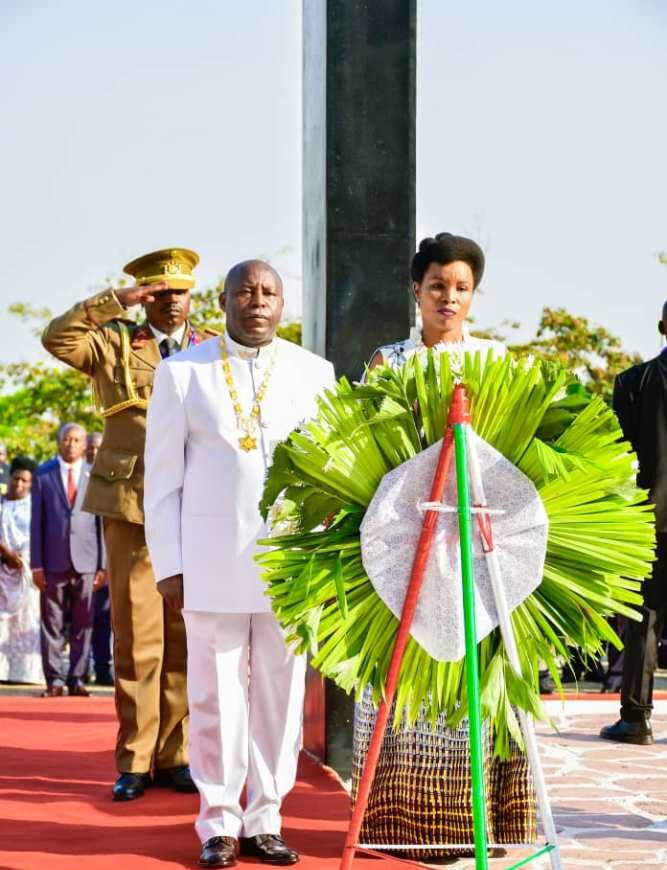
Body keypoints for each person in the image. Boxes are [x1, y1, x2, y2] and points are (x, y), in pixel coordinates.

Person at [144, 260, 336, 868]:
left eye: (269, 292)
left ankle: (267, 818)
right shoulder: (182, 374)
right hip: (209, 562)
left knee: (279, 699)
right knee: (215, 698)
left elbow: (331, 471)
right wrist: (169, 564)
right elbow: (162, 482)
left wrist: (325, 555)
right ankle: (218, 823)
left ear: (282, 303)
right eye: (246, 292)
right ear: (223, 301)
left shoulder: (316, 373)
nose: (258, 302)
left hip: (289, 564)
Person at [357, 233, 536, 859]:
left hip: (477, 544)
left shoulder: (497, 362)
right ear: (416, 290)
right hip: (407, 542)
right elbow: (363, 445)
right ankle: (401, 828)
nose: (449, 298)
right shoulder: (388, 361)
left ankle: (478, 825)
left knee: (475, 677)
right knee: (404, 681)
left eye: (461, 288)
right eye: (438, 286)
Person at [41, 248, 209, 799]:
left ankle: (176, 754)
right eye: (159, 293)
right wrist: (113, 305)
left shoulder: (213, 345)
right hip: (132, 500)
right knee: (138, 637)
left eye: (179, 292)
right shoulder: (116, 341)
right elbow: (56, 339)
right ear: (144, 296)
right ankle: (135, 758)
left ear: (193, 295)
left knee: (184, 634)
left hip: (196, 503)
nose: (172, 303)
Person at [600, 301, 667, 745]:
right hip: (646, 520)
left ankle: (636, 720)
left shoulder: (633, 383)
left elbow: (614, 456)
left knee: (643, 619)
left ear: (662, 326)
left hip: (648, 519)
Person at [30, 423, 106, 696]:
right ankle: (55, 681)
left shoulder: (94, 474)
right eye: (67, 439)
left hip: (87, 561)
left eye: (77, 440)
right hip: (52, 562)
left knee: (84, 623)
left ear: (85, 445)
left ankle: (77, 678)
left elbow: (100, 523)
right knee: (51, 623)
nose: (71, 444)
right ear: (59, 442)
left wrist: (103, 564)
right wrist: (36, 564)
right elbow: (36, 523)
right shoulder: (43, 474)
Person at [0, 456, 42, 684]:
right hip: (2, 570)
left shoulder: (35, 507)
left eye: (25, 481)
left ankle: (24, 674)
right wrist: (5, 552)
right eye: (16, 478)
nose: (19, 484)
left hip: (26, 574)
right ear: (9, 477)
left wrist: (23, 559)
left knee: (26, 622)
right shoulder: (1, 503)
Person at [86, 432, 112, 685]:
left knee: (105, 620)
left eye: (97, 447)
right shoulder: (80, 477)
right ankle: (80, 669)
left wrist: (105, 565)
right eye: (90, 447)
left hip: (109, 563)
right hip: (82, 562)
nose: (93, 452)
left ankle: (103, 669)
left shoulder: (110, 477)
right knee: (83, 620)